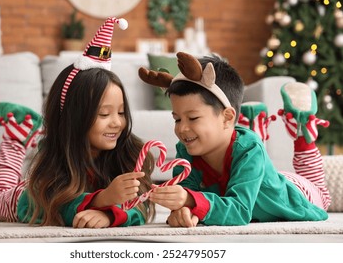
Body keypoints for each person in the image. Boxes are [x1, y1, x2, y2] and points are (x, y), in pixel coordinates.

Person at [0, 17, 156, 228]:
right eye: (104, 114)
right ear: (74, 118)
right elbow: (58, 207)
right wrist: (102, 199)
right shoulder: (53, 168)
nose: (117, 123)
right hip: (30, 199)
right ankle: (16, 133)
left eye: (121, 112)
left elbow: (141, 207)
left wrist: (110, 215)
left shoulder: (128, 156)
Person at [138, 51, 331, 227]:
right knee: (254, 158)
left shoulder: (249, 150)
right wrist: (183, 211)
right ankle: (254, 124)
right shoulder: (185, 150)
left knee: (321, 193)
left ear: (228, 117)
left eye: (193, 118)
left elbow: (239, 211)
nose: (181, 128)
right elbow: (188, 195)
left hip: (296, 192)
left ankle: (303, 134)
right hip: (256, 175)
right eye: (177, 118)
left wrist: (190, 200)